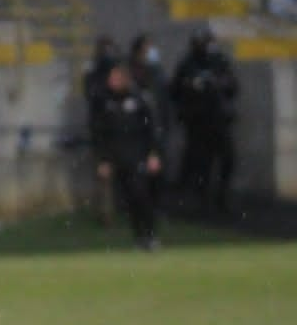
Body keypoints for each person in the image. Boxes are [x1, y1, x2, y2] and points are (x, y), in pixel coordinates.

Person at [169, 27, 239, 217]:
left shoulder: (219, 62)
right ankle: (201, 202)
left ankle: (221, 197)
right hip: (197, 122)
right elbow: (174, 91)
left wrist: (219, 83)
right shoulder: (187, 64)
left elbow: (232, 86)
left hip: (219, 120)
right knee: (201, 164)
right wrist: (192, 86)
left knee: (228, 159)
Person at [95, 63, 163, 250]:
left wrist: (154, 153)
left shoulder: (140, 99)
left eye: (115, 78)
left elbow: (153, 128)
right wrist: (104, 160)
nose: (111, 82)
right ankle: (139, 237)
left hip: (139, 157)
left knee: (141, 195)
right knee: (129, 200)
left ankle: (151, 235)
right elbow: (102, 134)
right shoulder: (107, 102)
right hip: (119, 159)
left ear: (125, 79)